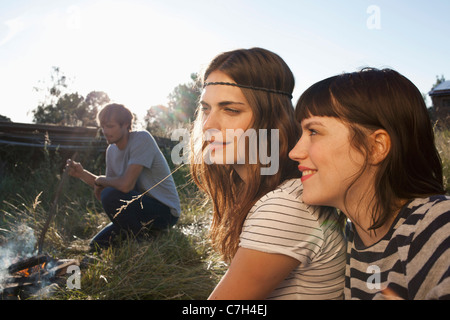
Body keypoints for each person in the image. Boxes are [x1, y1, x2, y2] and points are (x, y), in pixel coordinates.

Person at [190, 47, 346, 300]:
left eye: (230, 110)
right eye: (206, 109)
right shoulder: (259, 191)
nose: (208, 125)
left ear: (271, 119)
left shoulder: (284, 205)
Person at [289, 68, 450, 300]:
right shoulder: (352, 238)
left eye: (313, 131)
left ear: (376, 147)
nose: (295, 152)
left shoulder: (436, 224)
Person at [67, 103, 180, 249]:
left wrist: (101, 181)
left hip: (164, 211)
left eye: (110, 126)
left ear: (125, 124)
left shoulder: (142, 139)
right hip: (137, 208)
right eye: (103, 126)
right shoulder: (111, 150)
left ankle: (141, 243)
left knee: (110, 194)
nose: (105, 131)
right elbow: (110, 186)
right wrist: (82, 174)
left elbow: (125, 186)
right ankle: (147, 234)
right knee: (96, 245)